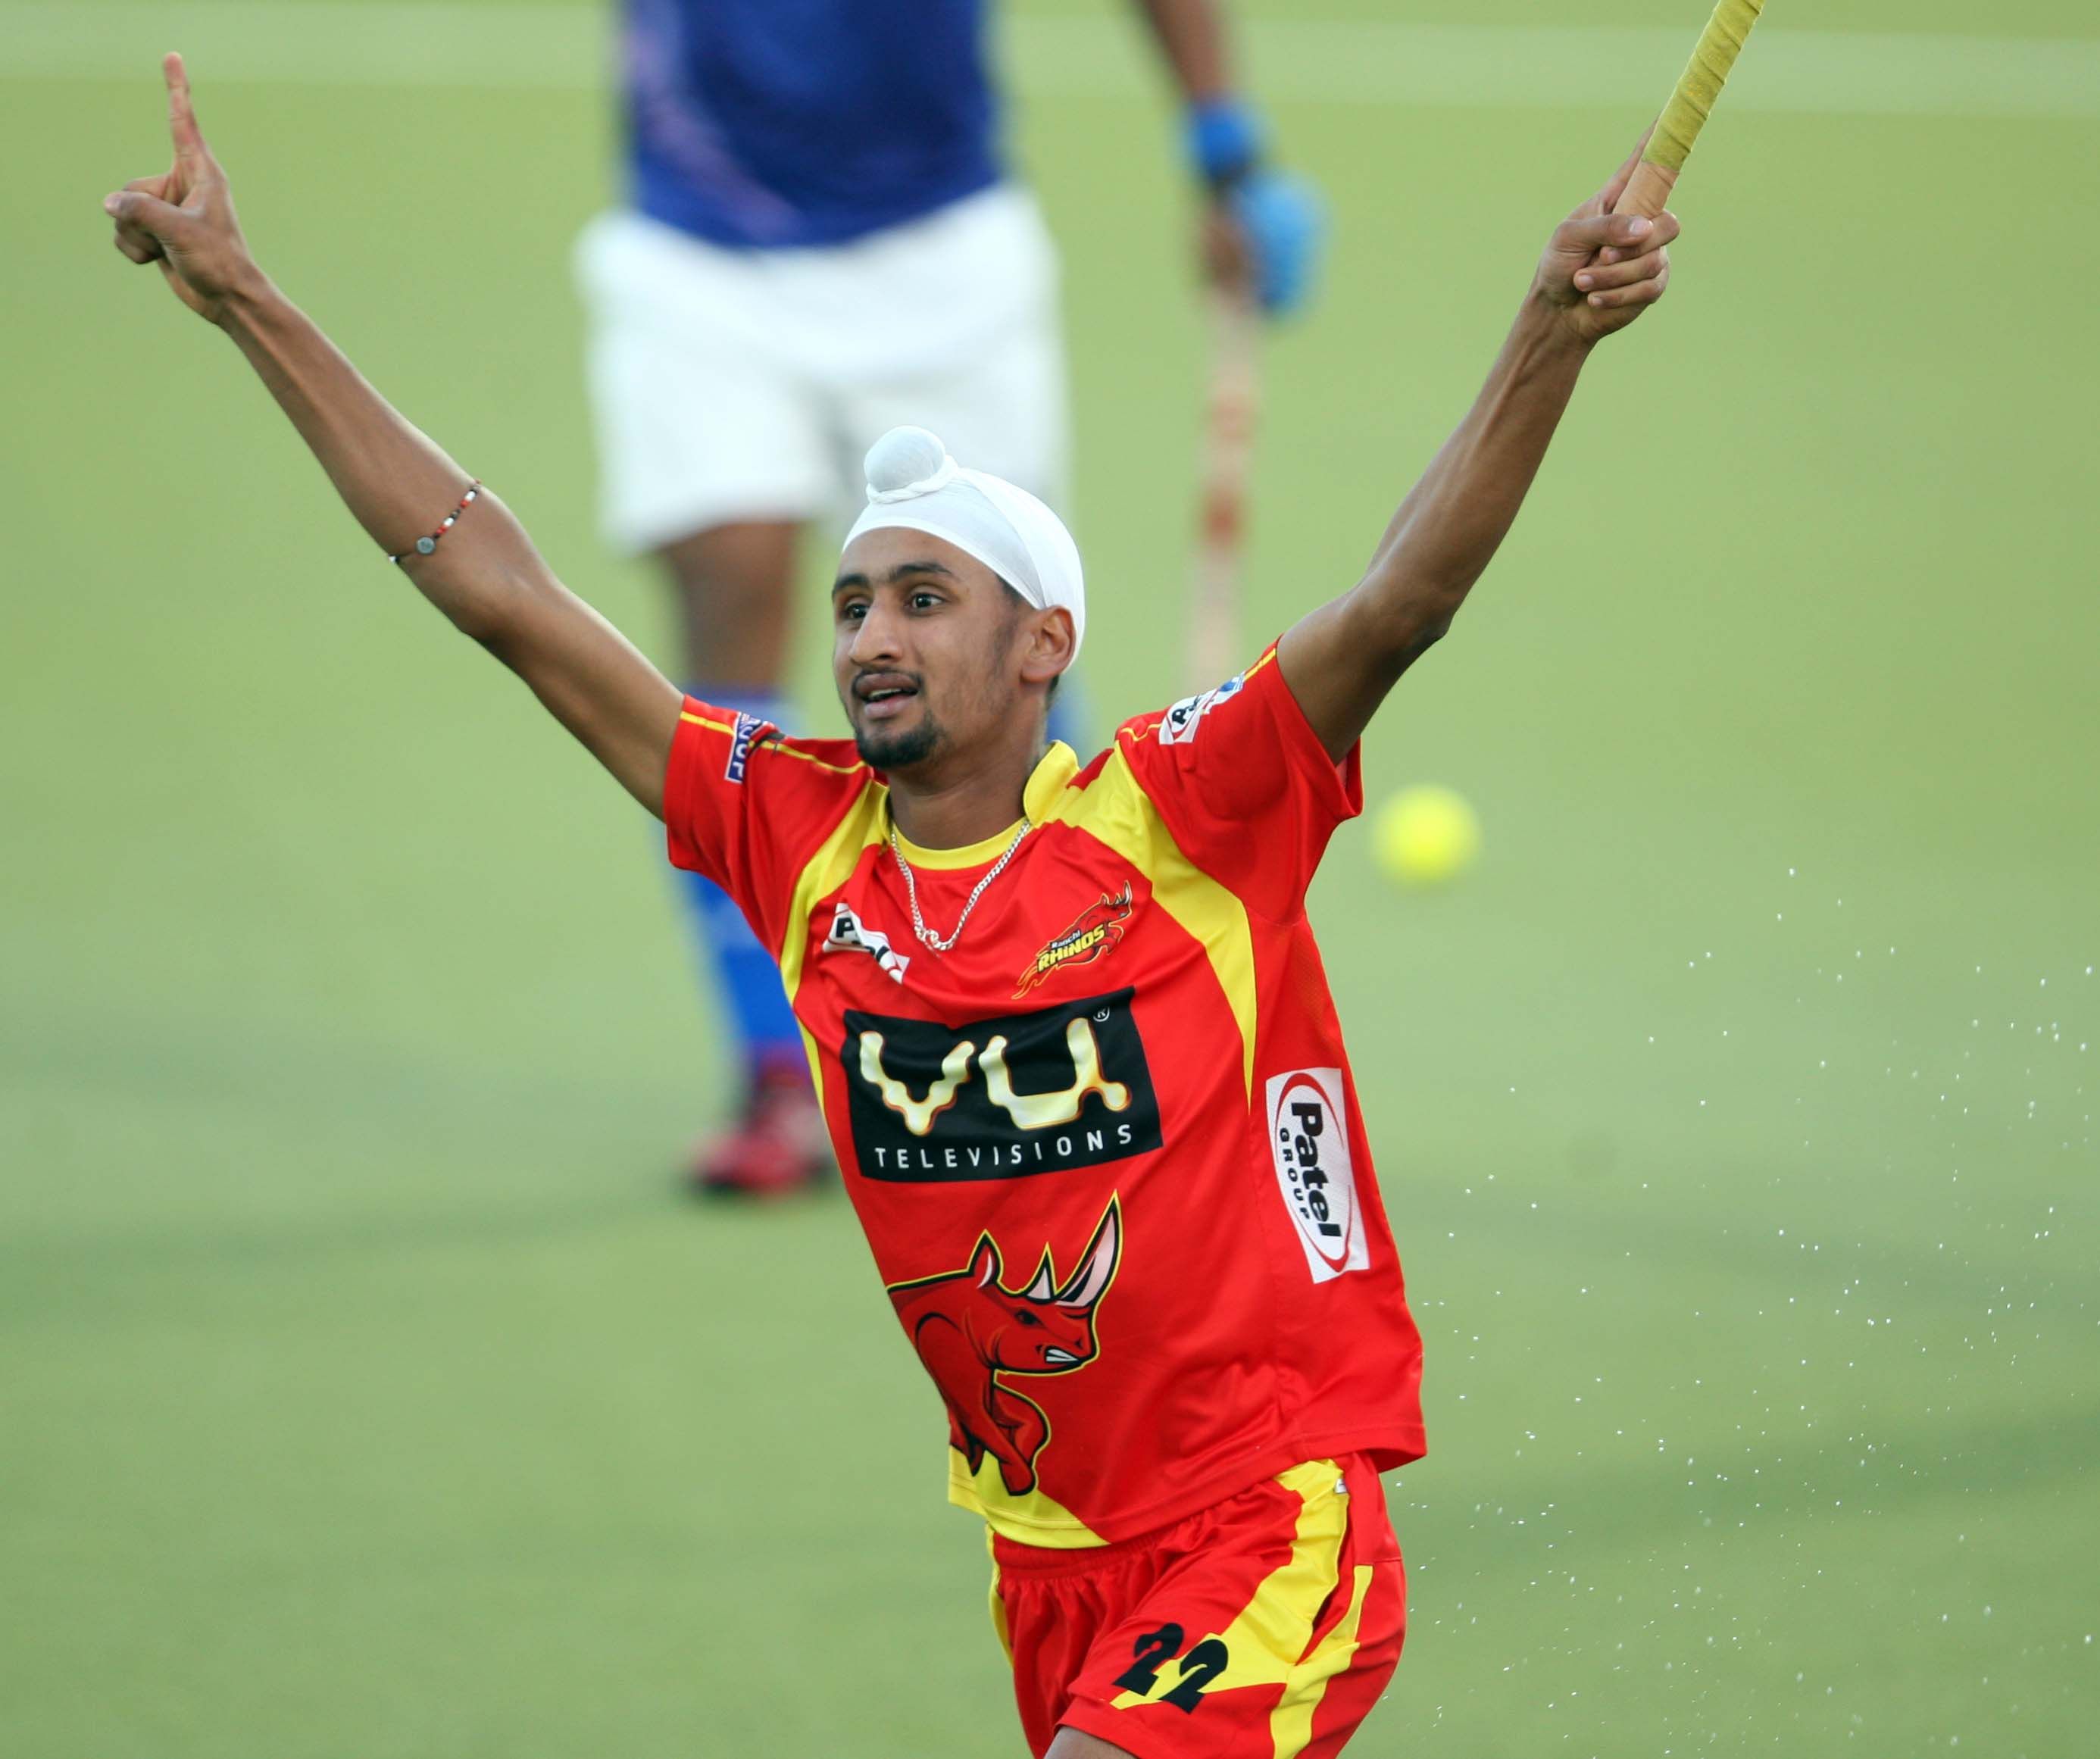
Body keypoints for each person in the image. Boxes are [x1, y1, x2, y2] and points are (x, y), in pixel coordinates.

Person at [104, 54, 1678, 1758]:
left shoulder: (1181, 810)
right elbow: (504, 593)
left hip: (1263, 1521)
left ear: (1041, 648)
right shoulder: (802, 846)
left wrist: (1547, 335)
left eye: (924, 599)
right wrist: (250, 305)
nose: (866, 636)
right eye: (855, 603)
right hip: (1047, 1557)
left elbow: (1403, 597)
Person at [580, 0, 1325, 1196]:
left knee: (994, 633)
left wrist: (1222, 145)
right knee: (732, 600)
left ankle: (1078, 1019)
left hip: (938, 250)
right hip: (696, 243)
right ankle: (788, 1071)